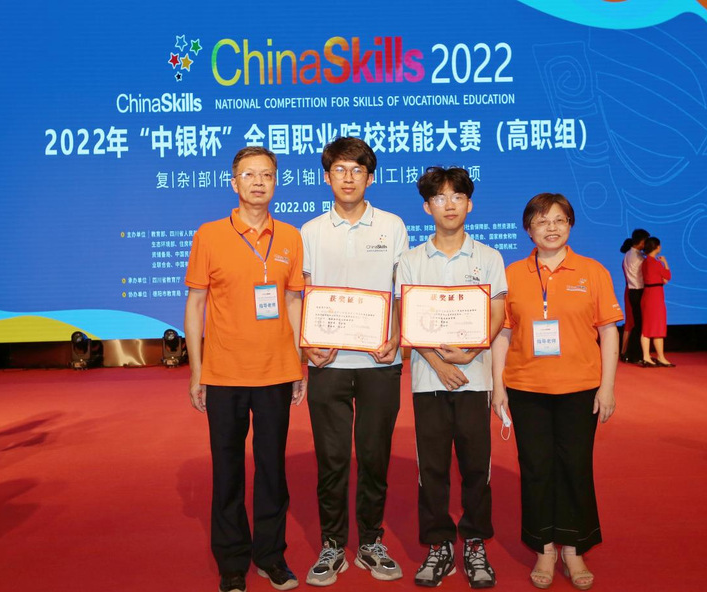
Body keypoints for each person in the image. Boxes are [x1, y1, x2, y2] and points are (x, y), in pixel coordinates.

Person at [184, 146, 306, 592]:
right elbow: (195, 305)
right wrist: (196, 372)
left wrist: (298, 364)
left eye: (267, 175)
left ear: (276, 182)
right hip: (223, 374)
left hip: (275, 371)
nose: (258, 182)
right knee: (228, 470)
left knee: (272, 469)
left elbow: (292, 301)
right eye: (249, 175)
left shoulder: (290, 236)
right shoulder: (210, 234)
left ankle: (271, 556)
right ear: (234, 183)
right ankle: (232, 561)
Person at [491, 193, 622, 591]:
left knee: (575, 467)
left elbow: (608, 331)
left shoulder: (593, 271)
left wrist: (608, 387)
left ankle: (574, 548)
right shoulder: (513, 274)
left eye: (559, 220)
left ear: (570, 225)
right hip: (526, 387)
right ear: (528, 229)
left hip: (580, 388)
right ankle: (544, 548)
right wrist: (498, 386)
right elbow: (503, 333)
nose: (551, 228)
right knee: (536, 468)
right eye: (542, 221)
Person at [301, 137, 409, 586]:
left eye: (357, 170)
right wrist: (306, 345)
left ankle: (369, 542)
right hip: (327, 361)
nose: (348, 178)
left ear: (370, 177)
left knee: (374, 457)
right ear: (327, 177)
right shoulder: (310, 231)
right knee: (331, 460)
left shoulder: (392, 226)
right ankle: (331, 544)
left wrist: (397, 337)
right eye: (340, 170)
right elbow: (304, 293)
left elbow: (403, 290)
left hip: (379, 361)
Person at [396, 167, 506, 589]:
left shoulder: (488, 258)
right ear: (427, 207)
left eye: (457, 196)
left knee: (477, 466)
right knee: (432, 468)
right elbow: (408, 318)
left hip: (475, 380)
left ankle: (475, 541)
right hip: (428, 381)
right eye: (440, 198)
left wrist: (472, 352)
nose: (449, 205)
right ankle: (438, 543)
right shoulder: (411, 260)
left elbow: (496, 314)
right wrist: (439, 363)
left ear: (469, 204)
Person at [639, 237, 674, 367]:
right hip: (655, 297)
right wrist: (665, 262)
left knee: (647, 327)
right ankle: (659, 357)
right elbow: (668, 276)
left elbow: (659, 278)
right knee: (657, 326)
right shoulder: (655, 262)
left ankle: (647, 356)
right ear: (657, 247)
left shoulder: (645, 262)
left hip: (648, 295)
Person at [619, 229, 649, 362]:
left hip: (631, 290)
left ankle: (627, 353)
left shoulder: (629, 254)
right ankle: (631, 354)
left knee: (634, 323)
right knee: (637, 324)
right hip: (637, 290)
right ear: (642, 242)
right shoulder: (639, 258)